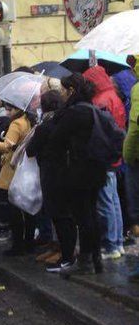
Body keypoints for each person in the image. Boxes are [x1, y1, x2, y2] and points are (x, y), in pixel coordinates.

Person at [44, 73, 109, 276]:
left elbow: (55, 140)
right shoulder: (93, 109)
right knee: (92, 214)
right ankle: (96, 259)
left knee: (83, 218)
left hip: (78, 172)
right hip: (96, 170)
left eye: (63, 90)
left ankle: (86, 261)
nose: (61, 94)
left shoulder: (72, 114)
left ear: (71, 91)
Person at [83, 65, 127, 260]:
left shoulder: (100, 101)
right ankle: (117, 242)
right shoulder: (114, 95)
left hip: (104, 157)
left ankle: (111, 245)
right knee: (114, 200)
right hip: (115, 154)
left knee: (106, 201)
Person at [27, 90, 69, 269]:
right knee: (64, 216)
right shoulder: (64, 121)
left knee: (59, 216)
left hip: (50, 173)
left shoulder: (44, 126)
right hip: (66, 171)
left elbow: (31, 150)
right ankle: (60, 249)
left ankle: (65, 254)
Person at [0, 103, 34, 256]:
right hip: (26, 167)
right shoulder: (29, 121)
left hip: (12, 169)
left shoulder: (16, 123)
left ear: (16, 108)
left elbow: (6, 146)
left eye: (9, 108)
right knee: (27, 210)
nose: (7, 112)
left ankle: (18, 245)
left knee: (14, 210)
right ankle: (29, 242)